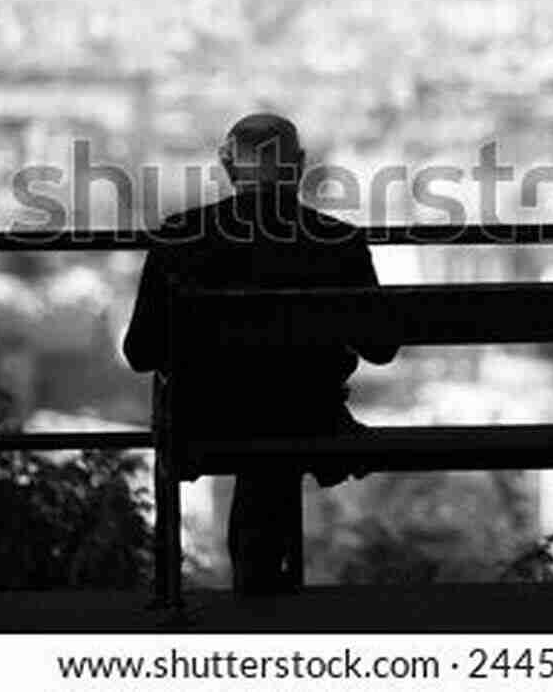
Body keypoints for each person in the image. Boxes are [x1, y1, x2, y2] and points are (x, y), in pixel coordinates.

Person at [123, 112, 397, 595]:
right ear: (299, 166)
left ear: (227, 168)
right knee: (278, 423)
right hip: (307, 415)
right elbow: (381, 347)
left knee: (257, 430)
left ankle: (255, 601)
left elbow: (140, 352)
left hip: (206, 418)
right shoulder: (338, 242)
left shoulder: (179, 236)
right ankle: (268, 599)